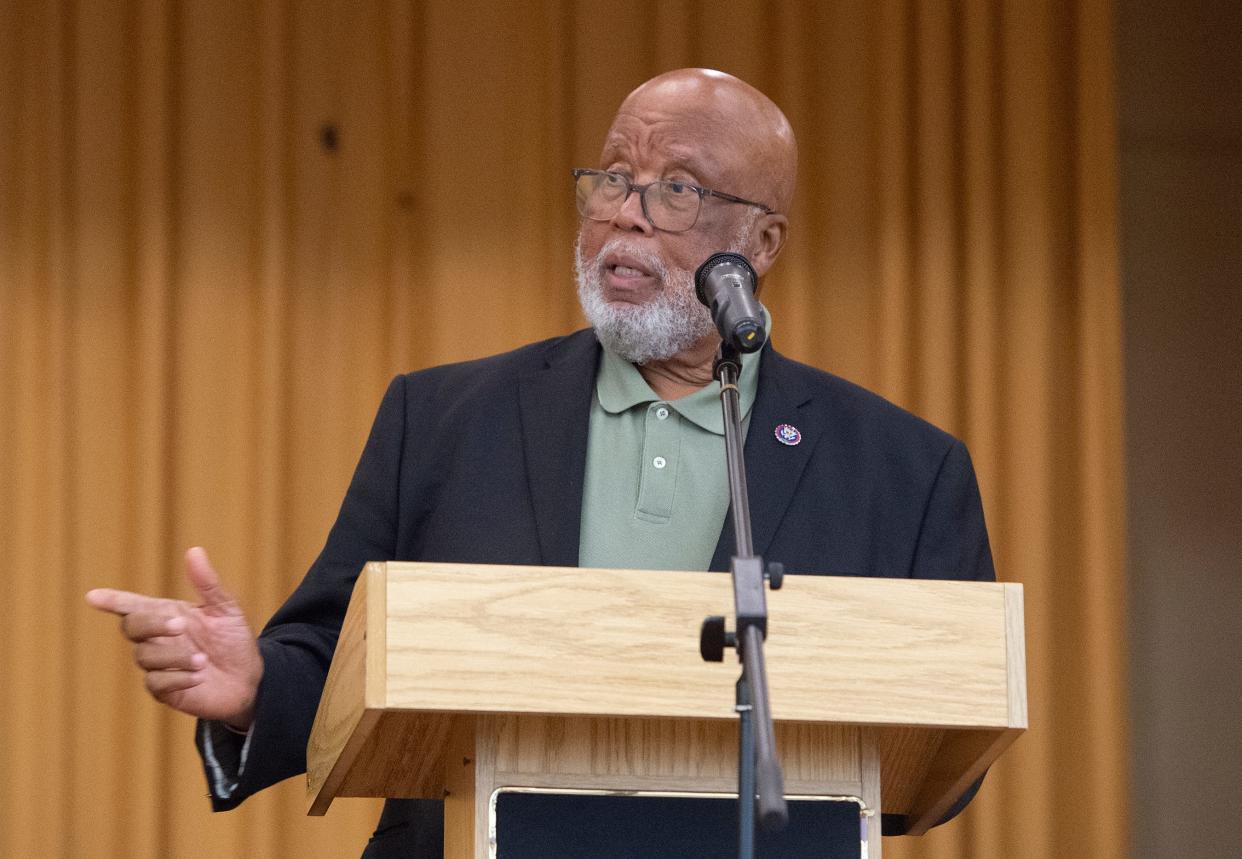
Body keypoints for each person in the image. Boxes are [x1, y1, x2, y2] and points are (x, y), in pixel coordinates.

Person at [87, 69, 994, 856]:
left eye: (677, 188)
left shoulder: (905, 472)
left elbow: (939, 746)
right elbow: (337, 656)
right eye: (613, 175)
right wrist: (252, 688)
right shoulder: (442, 419)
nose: (625, 214)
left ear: (762, 244)